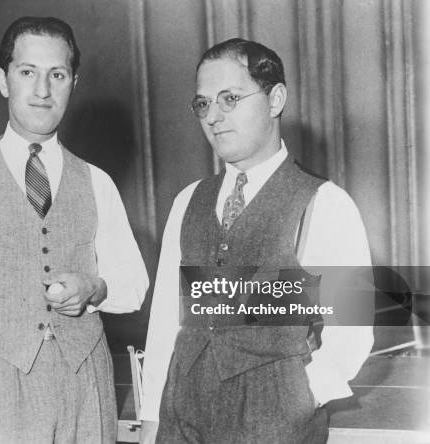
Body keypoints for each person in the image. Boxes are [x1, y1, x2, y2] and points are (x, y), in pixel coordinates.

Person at [0, 16, 148, 444]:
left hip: (87, 383)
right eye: (28, 72)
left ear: (73, 83)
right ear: (3, 80)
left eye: (57, 75)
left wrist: (94, 287)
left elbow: (134, 285)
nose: (42, 90)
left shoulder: (97, 181)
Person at [139, 38, 373, 443]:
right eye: (203, 103)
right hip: (183, 421)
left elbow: (352, 332)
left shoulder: (326, 204)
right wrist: (151, 423)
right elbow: (164, 325)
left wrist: (299, 396)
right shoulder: (187, 201)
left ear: (275, 98)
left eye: (230, 98)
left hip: (275, 423)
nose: (213, 116)